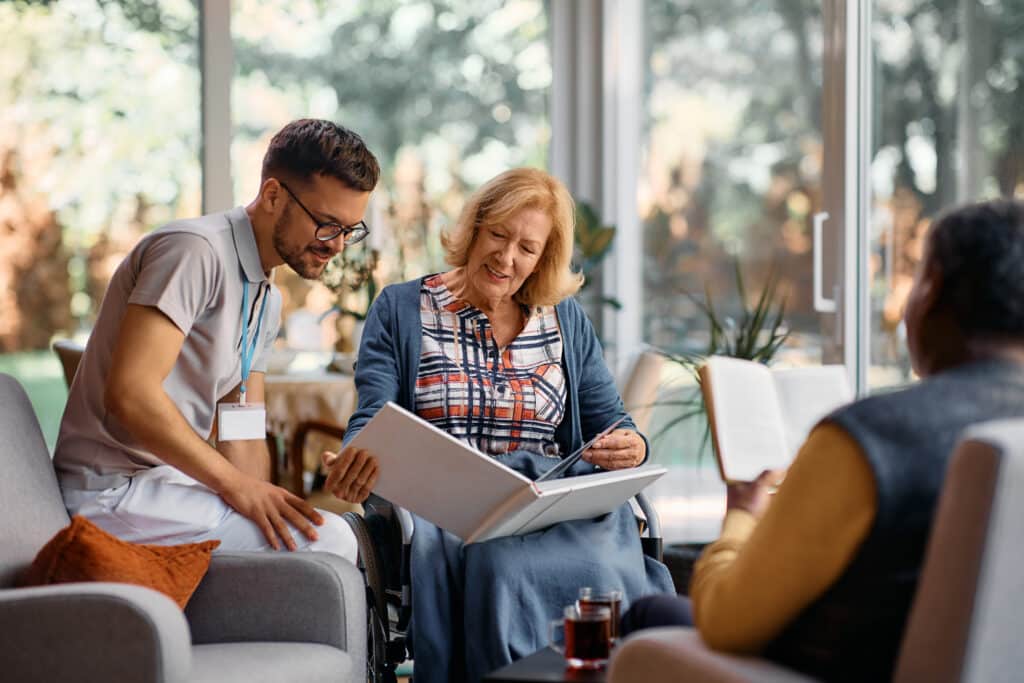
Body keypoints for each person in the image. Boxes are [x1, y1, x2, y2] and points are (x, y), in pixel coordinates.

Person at [620, 198, 1024, 682]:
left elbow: (727, 621)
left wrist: (744, 514)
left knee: (647, 615)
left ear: (932, 289)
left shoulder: (875, 438)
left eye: (916, 276)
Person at [322, 167, 674, 682]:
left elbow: (614, 423)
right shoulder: (402, 309)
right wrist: (357, 457)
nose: (507, 259)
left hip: (555, 506)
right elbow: (373, 415)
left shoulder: (566, 320)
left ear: (544, 257)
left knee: (597, 574)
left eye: (527, 249)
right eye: (498, 235)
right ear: (476, 227)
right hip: (456, 511)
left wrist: (631, 447)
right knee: (498, 570)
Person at [53, 119, 380, 564]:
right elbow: (130, 395)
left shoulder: (266, 297)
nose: (337, 246)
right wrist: (237, 489)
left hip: (167, 488)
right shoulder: (193, 252)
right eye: (327, 225)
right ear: (272, 195)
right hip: (110, 492)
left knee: (323, 532)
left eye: (348, 230)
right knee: (334, 542)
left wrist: (264, 502)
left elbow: (241, 426)